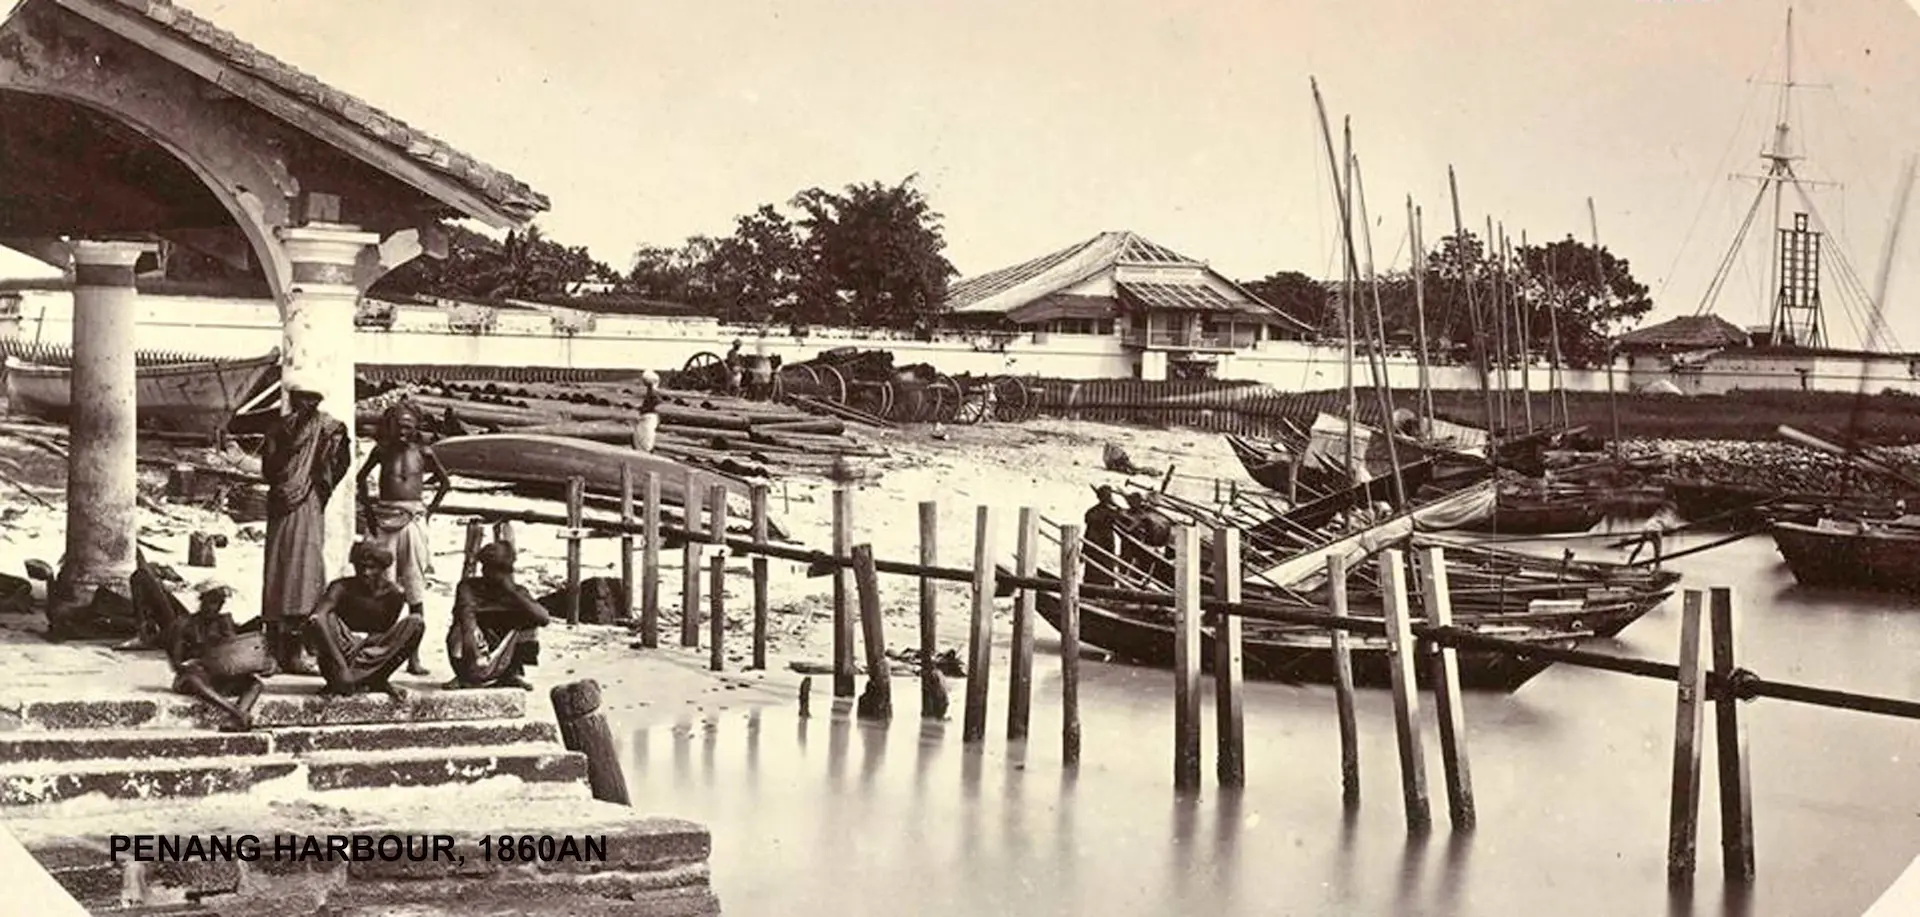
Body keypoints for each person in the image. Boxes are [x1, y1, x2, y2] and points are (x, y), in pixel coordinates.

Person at [260, 382, 351, 675]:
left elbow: (341, 463)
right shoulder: (278, 428)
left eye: (313, 399)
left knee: (306, 569)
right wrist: (289, 444)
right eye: (302, 398)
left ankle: (299, 648)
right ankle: (276, 646)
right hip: (282, 502)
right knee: (278, 567)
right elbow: (269, 470)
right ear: (292, 399)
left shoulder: (329, 428)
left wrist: (322, 480)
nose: (307, 404)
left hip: (309, 499)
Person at [356, 400, 449, 676]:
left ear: (415, 427)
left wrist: (428, 513)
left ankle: (414, 657)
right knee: (380, 586)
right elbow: (361, 478)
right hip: (385, 519)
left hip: (414, 521)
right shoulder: (381, 451)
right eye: (398, 426)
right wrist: (370, 514)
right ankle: (378, 654)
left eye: (408, 427)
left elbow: (445, 483)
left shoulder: (424, 451)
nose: (402, 432)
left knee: (414, 588)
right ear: (390, 426)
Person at [303, 541, 426, 699]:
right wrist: (342, 668)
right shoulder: (340, 587)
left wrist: (366, 646)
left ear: (383, 568)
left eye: (372, 568)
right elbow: (317, 619)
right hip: (339, 655)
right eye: (361, 567)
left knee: (416, 623)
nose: (366, 572)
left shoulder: (394, 595)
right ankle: (342, 679)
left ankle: (378, 679)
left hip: (369, 653)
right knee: (325, 617)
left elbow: (383, 636)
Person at [444, 542, 551, 691]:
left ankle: (512, 674)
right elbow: (466, 618)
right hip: (475, 649)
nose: (483, 571)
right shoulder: (468, 586)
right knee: (460, 629)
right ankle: (463, 676)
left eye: (488, 568)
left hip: (498, 652)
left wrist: (512, 593)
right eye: (484, 566)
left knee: (529, 621)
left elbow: (544, 618)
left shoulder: (517, 593)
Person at [166, 582, 268, 732]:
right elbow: (176, 663)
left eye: (219, 603)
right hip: (195, 674)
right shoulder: (184, 624)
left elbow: (234, 653)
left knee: (255, 684)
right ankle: (237, 713)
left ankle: (235, 719)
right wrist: (197, 662)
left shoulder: (224, 622)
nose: (214, 607)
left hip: (219, 675)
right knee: (193, 679)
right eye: (211, 602)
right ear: (202, 600)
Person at [635, 370, 663, 454]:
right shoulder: (653, 392)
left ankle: (645, 451)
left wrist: (642, 409)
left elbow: (653, 404)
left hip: (648, 417)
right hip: (650, 416)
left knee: (646, 436)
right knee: (647, 436)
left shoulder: (652, 393)